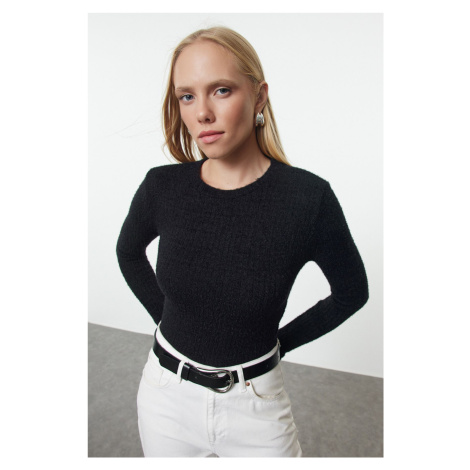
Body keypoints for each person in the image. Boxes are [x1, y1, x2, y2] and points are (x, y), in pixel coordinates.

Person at [116, 26, 369, 458]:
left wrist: (279, 343)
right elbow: (128, 252)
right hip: (165, 398)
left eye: (221, 90)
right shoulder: (162, 186)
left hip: (256, 406)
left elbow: (351, 293)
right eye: (187, 96)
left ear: (259, 96)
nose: (202, 113)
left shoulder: (308, 199)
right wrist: (168, 318)